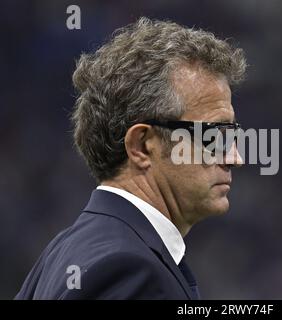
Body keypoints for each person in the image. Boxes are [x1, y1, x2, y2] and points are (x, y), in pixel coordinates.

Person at [15, 17, 246, 299]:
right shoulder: (129, 269)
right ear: (142, 146)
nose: (235, 157)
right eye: (214, 135)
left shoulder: (60, 253)